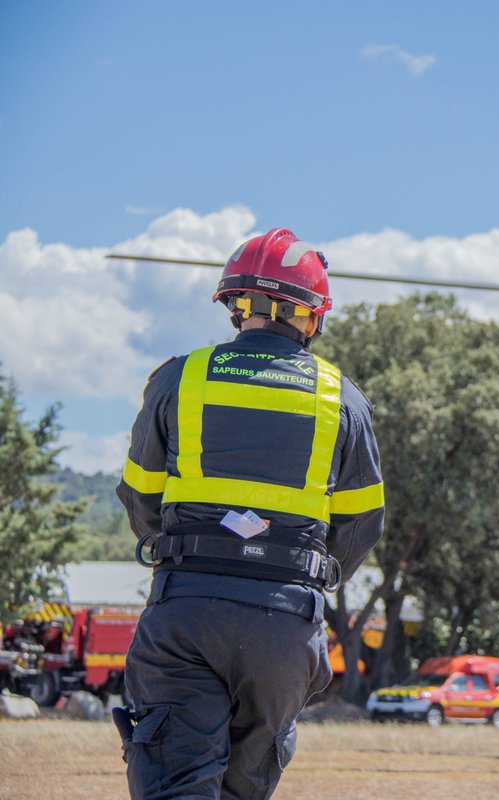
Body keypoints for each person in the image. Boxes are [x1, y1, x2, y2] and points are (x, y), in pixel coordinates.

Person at [115, 228, 385, 799]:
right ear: (312, 315)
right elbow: (361, 524)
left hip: (186, 610)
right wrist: (297, 572)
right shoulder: (342, 398)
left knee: (177, 784)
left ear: (236, 305)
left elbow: (141, 497)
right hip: (283, 624)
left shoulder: (179, 378)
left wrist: (189, 552)